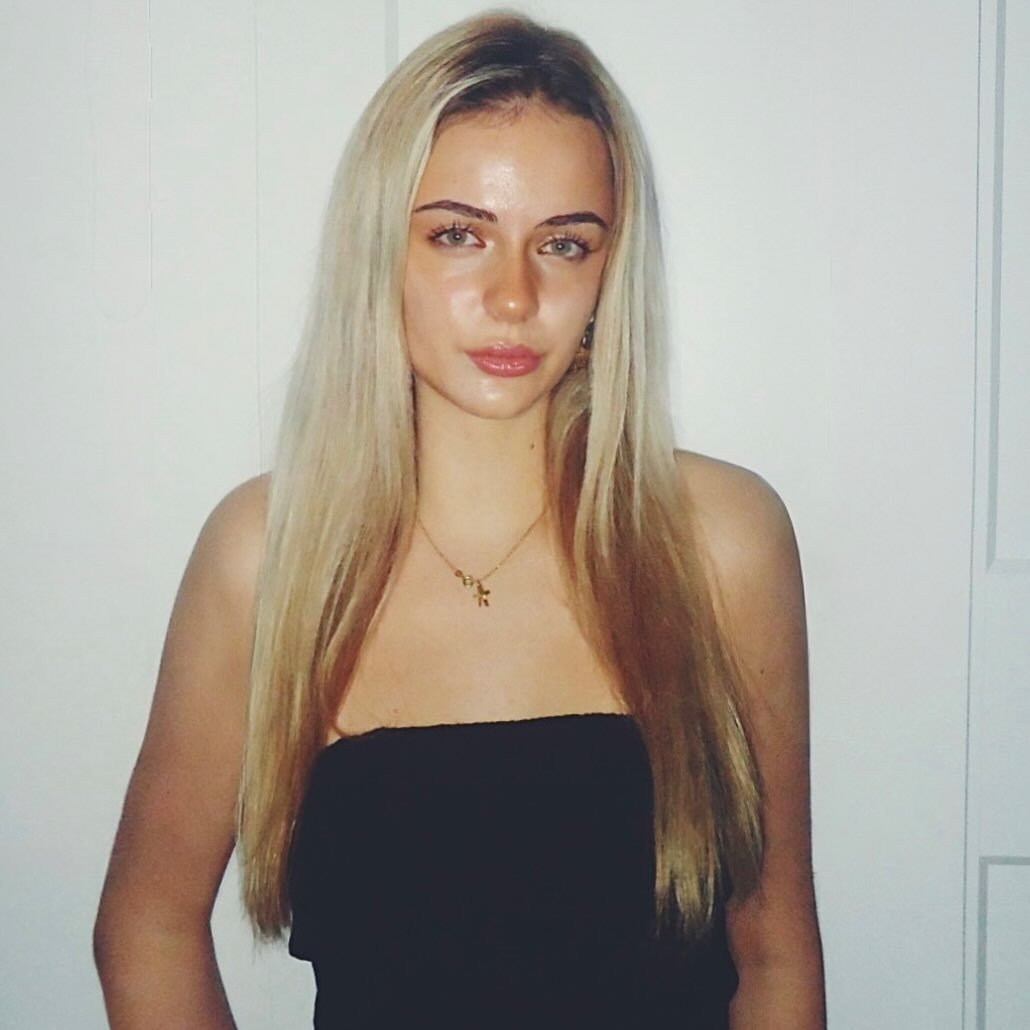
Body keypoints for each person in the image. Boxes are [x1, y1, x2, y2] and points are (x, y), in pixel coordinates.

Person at [94, 11, 824, 1029]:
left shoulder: (722, 542)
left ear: (609, 271)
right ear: (378, 248)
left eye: (563, 244)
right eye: (458, 235)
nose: (514, 296)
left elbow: (776, 949)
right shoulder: (269, 557)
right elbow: (148, 926)